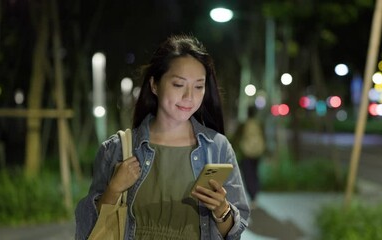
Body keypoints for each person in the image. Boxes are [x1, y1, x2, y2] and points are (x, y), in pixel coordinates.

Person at [75, 34, 250, 240]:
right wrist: (113, 190)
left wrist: (222, 210)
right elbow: (88, 229)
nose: (189, 97)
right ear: (154, 85)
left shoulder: (218, 148)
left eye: (198, 86)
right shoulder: (118, 149)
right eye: (178, 85)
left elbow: (235, 232)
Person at [237, 106, 266, 209]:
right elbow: (264, 137)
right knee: (255, 172)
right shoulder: (259, 124)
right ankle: (255, 195)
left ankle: (252, 194)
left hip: (246, 152)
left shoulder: (244, 124)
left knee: (248, 174)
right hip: (257, 152)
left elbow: (237, 137)